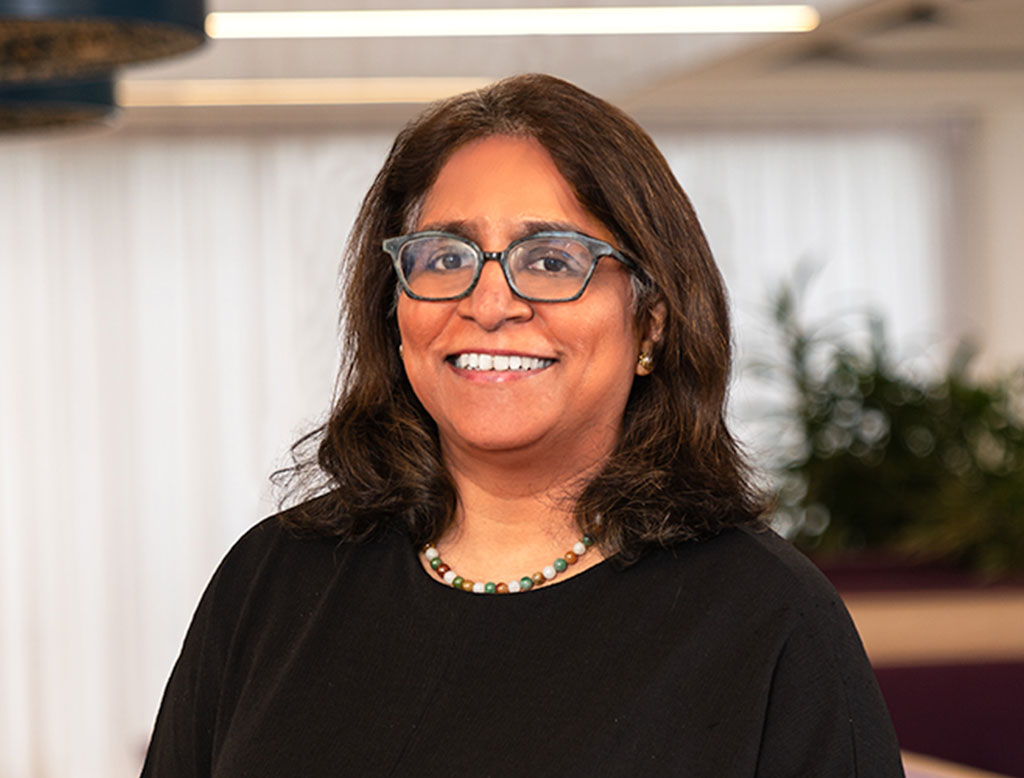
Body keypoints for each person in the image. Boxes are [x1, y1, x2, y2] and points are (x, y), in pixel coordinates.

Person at [141, 73, 904, 777]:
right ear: (394, 308)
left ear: (652, 323)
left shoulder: (768, 620)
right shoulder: (274, 582)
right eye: (445, 256)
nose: (490, 302)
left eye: (550, 260)